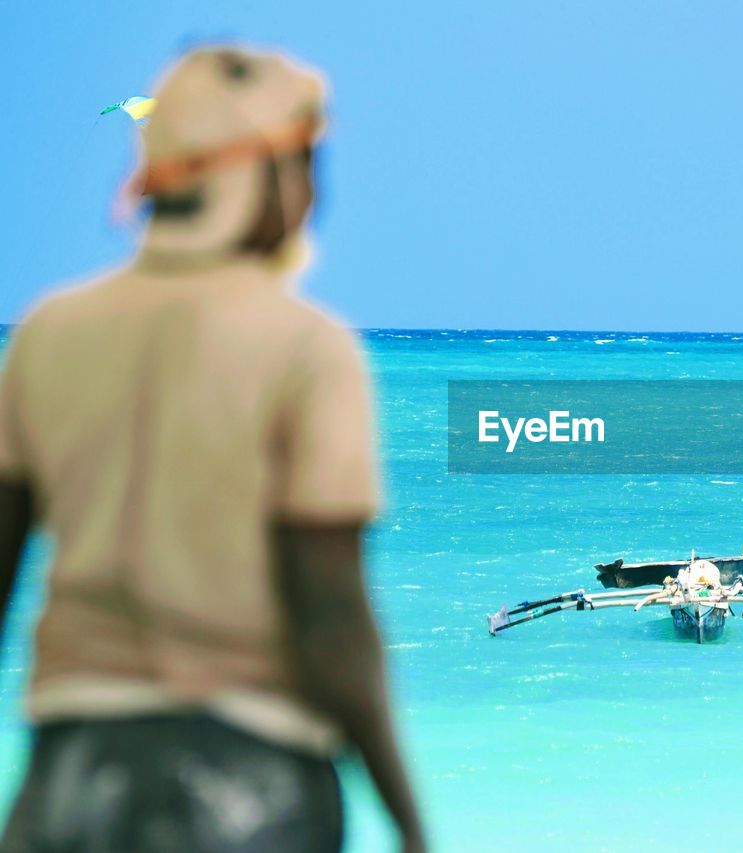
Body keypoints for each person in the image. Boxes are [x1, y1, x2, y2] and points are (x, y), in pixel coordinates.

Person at [0, 47, 426, 851]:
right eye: (302, 162)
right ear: (254, 172)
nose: (313, 192)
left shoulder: (47, 333)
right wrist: (409, 821)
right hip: (249, 782)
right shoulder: (307, 348)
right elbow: (331, 616)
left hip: (65, 780)